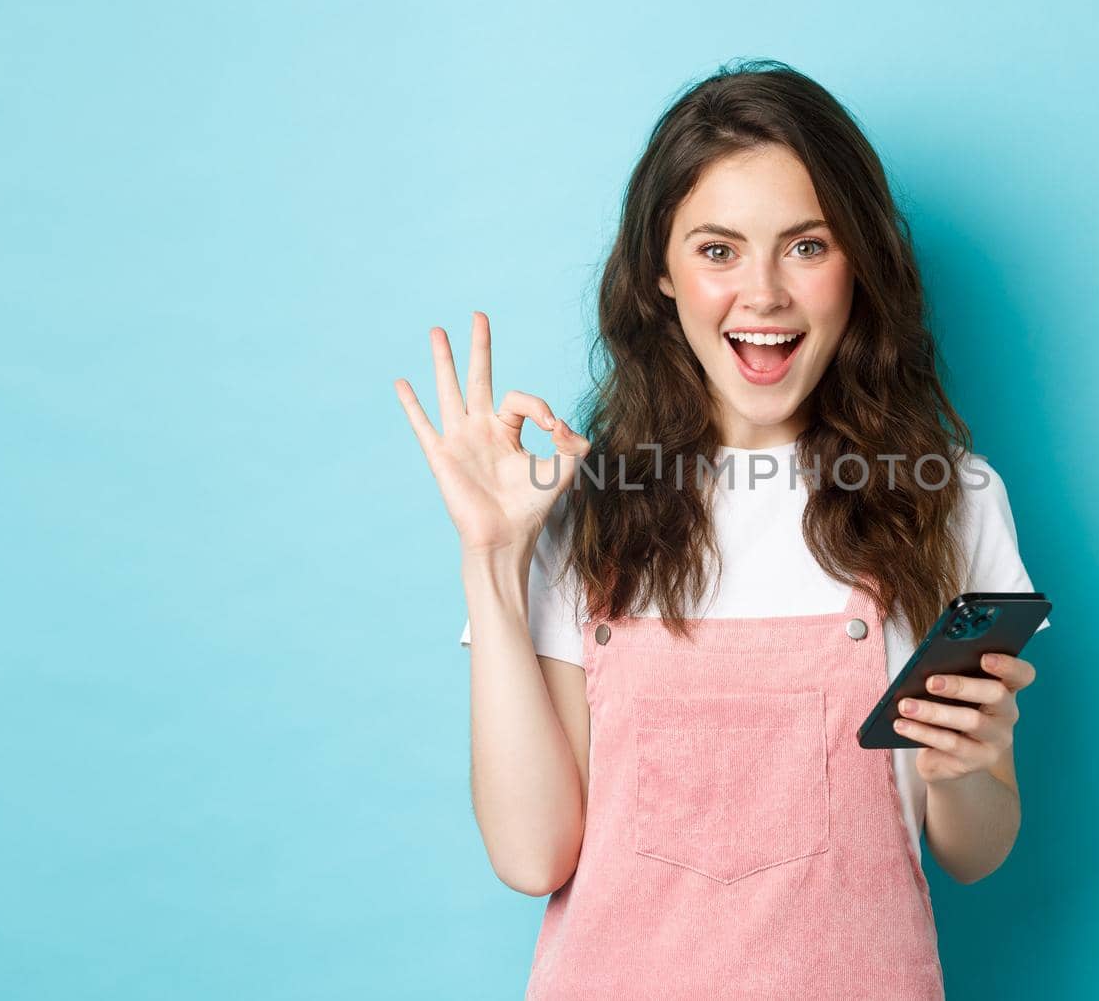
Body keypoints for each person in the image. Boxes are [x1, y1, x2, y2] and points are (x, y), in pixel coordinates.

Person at [394, 59, 1050, 1000]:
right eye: (717, 250)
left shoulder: (949, 500)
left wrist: (973, 763)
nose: (764, 293)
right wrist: (493, 564)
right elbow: (532, 852)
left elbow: (975, 850)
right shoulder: (579, 505)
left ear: (858, 262)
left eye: (806, 245)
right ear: (660, 273)